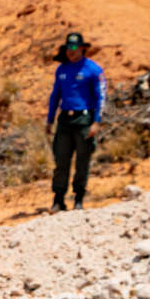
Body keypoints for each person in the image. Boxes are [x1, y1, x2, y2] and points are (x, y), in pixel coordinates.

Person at [45, 31, 106, 211]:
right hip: (65, 118)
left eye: (74, 47)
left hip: (84, 118)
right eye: (68, 48)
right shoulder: (62, 69)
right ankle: (58, 199)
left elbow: (101, 96)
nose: (71, 51)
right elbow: (55, 95)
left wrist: (97, 121)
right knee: (61, 160)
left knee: (82, 160)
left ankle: (79, 198)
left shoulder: (93, 69)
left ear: (82, 48)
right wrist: (50, 119)